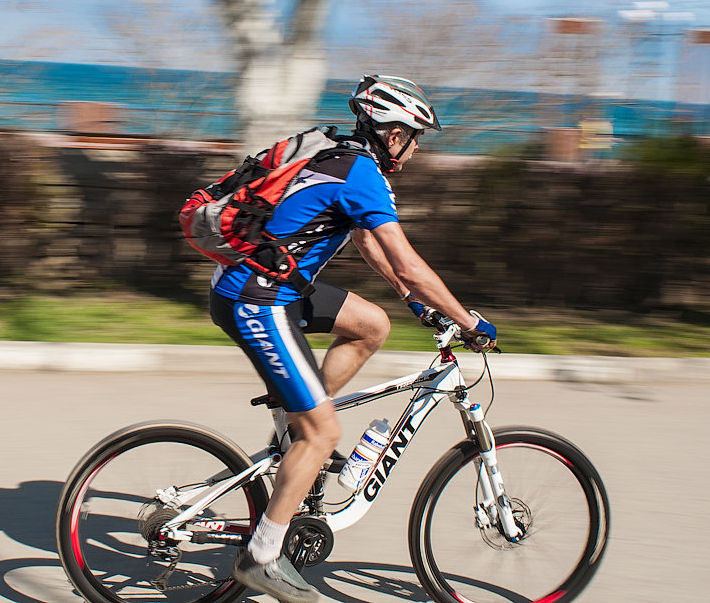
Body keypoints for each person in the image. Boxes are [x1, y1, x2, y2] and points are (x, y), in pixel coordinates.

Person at [212, 74, 497, 603]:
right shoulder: (361, 173)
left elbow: (367, 240)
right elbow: (410, 263)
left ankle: (301, 426)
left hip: (267, 287)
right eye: (414, 141)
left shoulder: (342, 156)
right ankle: (262, 556)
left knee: (373, 325)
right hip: (258, 300)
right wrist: (469, 321)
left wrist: (410, 302)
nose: (413, 153)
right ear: (393, 134)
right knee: (325, 435)